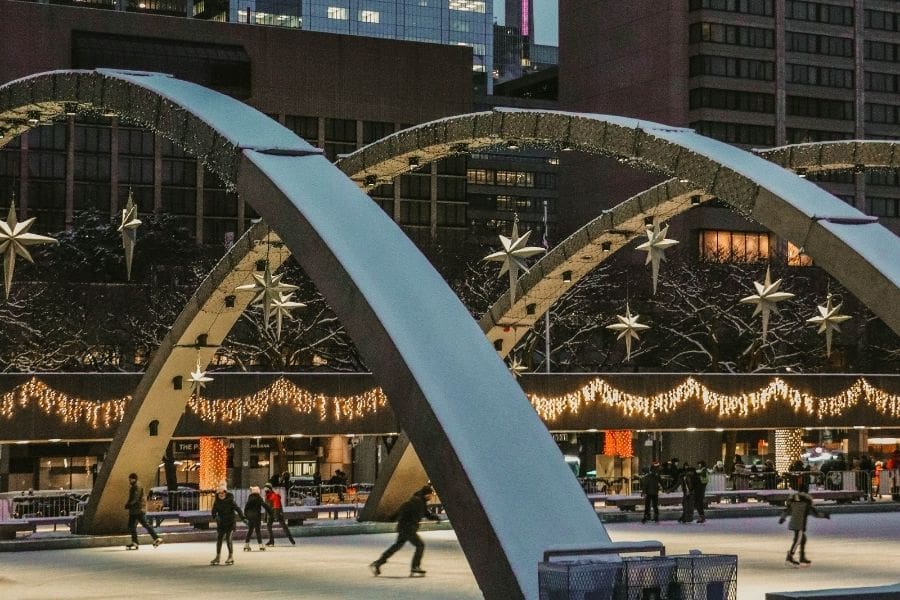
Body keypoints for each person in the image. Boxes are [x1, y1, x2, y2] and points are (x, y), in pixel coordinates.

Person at [370, 485, 441, 577]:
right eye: (431, 495)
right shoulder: (417, 502)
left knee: (396, 546)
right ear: (427, 494)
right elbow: (417, 511)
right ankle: (415, 566)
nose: (431, 497)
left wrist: (392, 517)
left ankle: (378, 563)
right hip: (408, 528)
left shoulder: (418, 501)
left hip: (405, 528)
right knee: (420, 545)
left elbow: (425, 513)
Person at [779, 482, 830, 566]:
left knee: (803, 539)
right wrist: (825, 515)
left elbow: (787, 510)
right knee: (798, 540)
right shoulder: (807, 500)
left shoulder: (793, 498)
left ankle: (802, 557)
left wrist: (782, 518)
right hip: (800, 524)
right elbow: (815, 513)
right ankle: (790, 557)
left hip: (793, 522)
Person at [123, 472, 162, 550]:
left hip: (137, 510)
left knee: (142, 525)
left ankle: (156, 538)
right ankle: (136, 542)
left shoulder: (136, 486)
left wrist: (129, 504)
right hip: (136, 510)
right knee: (133, 526)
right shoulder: (136, 486)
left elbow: (135, 498)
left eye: (130, 479)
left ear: (134, 479)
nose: (129, 481)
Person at [211, 482, 245, 565]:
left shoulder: (230, 501)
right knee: (219, 539)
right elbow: (213, 511)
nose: (221, 494)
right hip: (221, 523)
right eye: (220, 493)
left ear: (225, 493)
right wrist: (215, 517)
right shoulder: (217, 502)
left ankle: (230, 556)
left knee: (228, 539)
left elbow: (238, 509)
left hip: (230, 523)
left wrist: (243, 518)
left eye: (223, 493)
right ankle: (218, 557)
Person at [243, 485, 273, 552]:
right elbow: (265, 505)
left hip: (250, 517)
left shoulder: (249, 498)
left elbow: (246, 508)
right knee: (258, 531)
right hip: (256, 517)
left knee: (250, 531)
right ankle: (261, 545)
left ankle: (246, 545)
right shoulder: (259, 498)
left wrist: (246, 516)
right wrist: (271, 512)